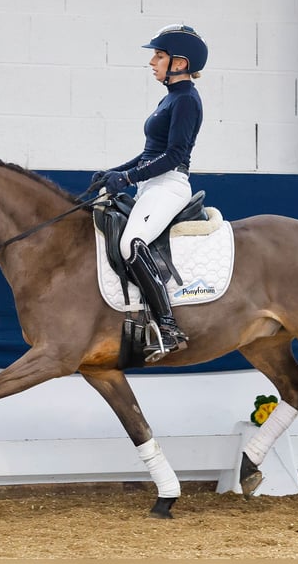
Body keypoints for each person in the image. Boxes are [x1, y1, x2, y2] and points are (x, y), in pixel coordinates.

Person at [93, 24, 208, 362]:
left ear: (180, 62)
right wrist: (117, 171)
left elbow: (172, 155)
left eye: (159, 56)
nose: (152, 62)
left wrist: (127, 177)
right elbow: (149, 154)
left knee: (132, 243)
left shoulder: (186, 99)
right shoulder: (170, 97)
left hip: (169, 184)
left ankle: (169, 326)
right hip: (151, 182)